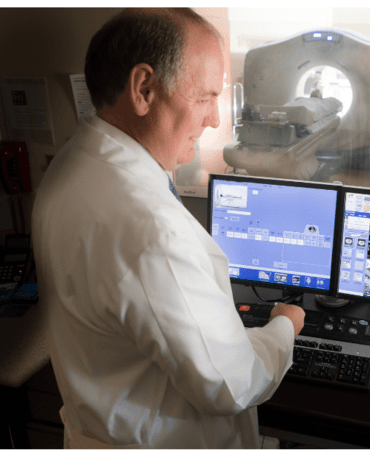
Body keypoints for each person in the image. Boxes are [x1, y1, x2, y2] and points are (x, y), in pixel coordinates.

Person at [32, 8, 305, 449]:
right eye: (205, 97)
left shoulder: (71, 163)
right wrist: (283, 328)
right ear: (144, 89)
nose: (215, 119)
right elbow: (231, 385)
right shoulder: (151, 230)